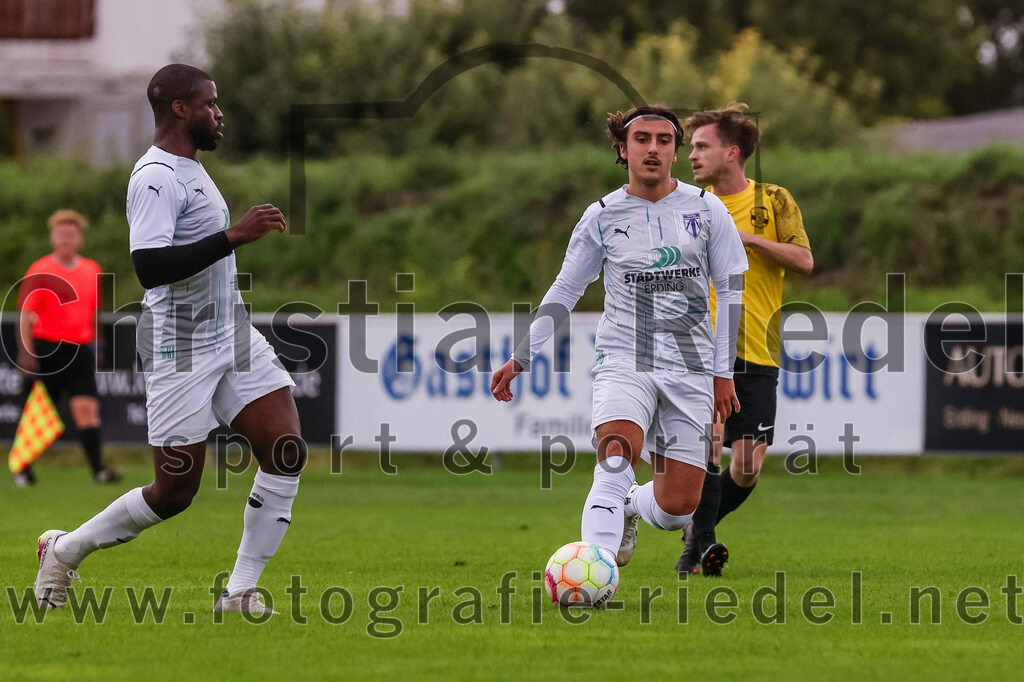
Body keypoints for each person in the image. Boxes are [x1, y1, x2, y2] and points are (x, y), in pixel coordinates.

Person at [33, 64, 305, 615]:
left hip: (230, 333)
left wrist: (230, 240)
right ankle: (64, 550)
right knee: (174, 493)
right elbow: (150, 267)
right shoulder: (155, 177)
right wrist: (234, 235)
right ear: (181, 109)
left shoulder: (191, 169)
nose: (218, 113)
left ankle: (239, 593)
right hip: (179, 346)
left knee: (285, 451)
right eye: (210, 103)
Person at [491, 105, 748, 579]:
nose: (653, 148)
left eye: (664, 141)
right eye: (642, 139)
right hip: (624, 356)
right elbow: (566, 288)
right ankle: (598, 568)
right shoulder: (602, 216)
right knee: (616, 451)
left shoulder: (707, 209)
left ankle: (631, 505)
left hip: (690, 365)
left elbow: (731, 291)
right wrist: (520, 355)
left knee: (677, 508)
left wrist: (722, 374)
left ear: (674, 151)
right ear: (623, 149)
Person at [676, 104, 813, 577]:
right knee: (711, 444)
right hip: (704, 347)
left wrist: (749, 241)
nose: (690, 154)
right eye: (691, 146)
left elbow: (804, 260)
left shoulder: (772, 201)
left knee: (747, 467)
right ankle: (703, 550)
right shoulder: (689, 203)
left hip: (760, 346)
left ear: (732, 153)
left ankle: (696, 529)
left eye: (701, 146)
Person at [14, 210, 120, 486]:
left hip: (79, 349)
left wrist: (99, 345)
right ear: (53, 238)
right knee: (38, 412)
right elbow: (26, 314)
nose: (66, 239)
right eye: (61, 234)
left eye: (71, 234)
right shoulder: (41, 269)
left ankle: (98, 470)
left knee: (87, 408)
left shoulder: (91, 269)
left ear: (79, 238)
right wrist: (26, 352)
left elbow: (95, 311)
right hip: (46, 348)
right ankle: (22, 469)